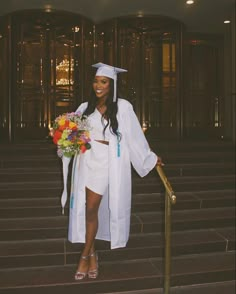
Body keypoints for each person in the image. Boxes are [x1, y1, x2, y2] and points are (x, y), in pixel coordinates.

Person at [68, 62, 163, 280]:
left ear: (112, 85)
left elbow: (134, 137)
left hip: (105, 162)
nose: (98, 86)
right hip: (85, 161)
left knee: (91, 207)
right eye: (95, 81)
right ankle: (92, 253)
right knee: (86, 209)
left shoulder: (123, 107)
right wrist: (66, 139)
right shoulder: (84, 108)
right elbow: (73, 134)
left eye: (103, 82)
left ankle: (84, 256)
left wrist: (150, 158)